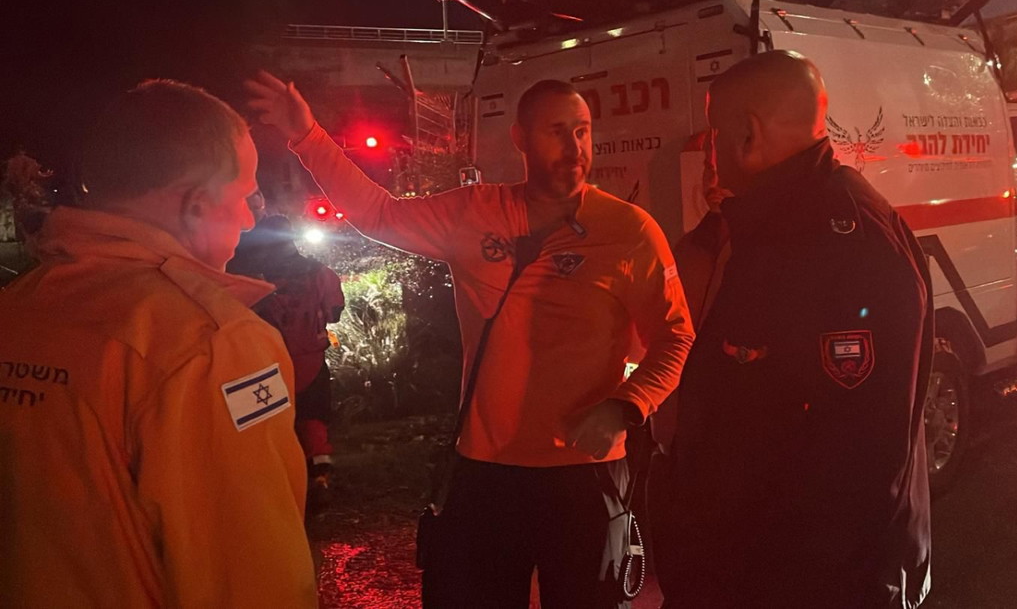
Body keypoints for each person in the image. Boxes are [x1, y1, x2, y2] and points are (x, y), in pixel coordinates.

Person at [246, 73, 694, 607]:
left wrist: (627, 405)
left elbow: (676, 334)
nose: (575, 148)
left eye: (582, 131)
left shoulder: (629, 231)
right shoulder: (474, 212)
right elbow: (378, 214)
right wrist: (307, 136)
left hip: (585, 474)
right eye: (556, 132)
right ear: (520, 139)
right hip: (484, 472)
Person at [0, 80, 317, 607]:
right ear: (196, 205)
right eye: (244, 196)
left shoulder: (19, 306)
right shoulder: (211, 345)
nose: (248, 218)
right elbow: (252, 580)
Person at [655, 51, 934, 608]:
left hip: (796, 582)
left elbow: (859, 456)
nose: (711, 153)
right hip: (751, 565)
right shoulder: (776, 225)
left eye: (714, 135)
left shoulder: (837, 240)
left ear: (747, 134)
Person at [242, 215, 345, 510]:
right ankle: (320, 477)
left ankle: (278, 486)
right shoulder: (319, 272)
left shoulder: (249, 278)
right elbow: (335, 311)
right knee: (313, 418)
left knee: (272, 423)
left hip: (265, 363)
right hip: (310, 361)